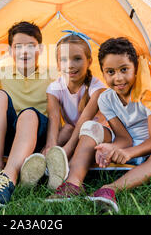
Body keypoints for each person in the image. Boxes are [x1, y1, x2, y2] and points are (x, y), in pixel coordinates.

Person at [49, 37, 151, 213]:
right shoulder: (106, 99)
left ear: (135, 68)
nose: (118, 78)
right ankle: (73, 183)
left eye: (124, 70)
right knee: (91, 126)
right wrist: (112, 148)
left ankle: (109, 189)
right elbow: (124, 137)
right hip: (126, 146)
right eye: (110, 72)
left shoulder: (147, 95)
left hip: (149, 148)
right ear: (102, 72)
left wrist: (128, 152)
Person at [0, 21, 56, 207]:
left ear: (41, 49)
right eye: (18, 47)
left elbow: (55, 113)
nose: (24, 52)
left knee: (28, 115)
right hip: (11, 134)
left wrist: (51, 144)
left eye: (31, 46)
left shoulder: (52, 75)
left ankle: (9, 176)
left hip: (36, 132)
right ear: (10, 50)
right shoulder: (1, 73)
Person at [19, 30, 107, 190]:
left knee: (82, 129)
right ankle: (43, 163)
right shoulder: (55, 87)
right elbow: (53, 117)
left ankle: (53, 167)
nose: (70, 65)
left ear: (89, 60)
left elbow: (85, 118)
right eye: (64, 60)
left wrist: (67, 149)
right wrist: (51, 146)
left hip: (92, 135)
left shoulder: (97, 87)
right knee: (66, 128)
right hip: (72, 132)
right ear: (58, 64)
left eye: (77, 59)